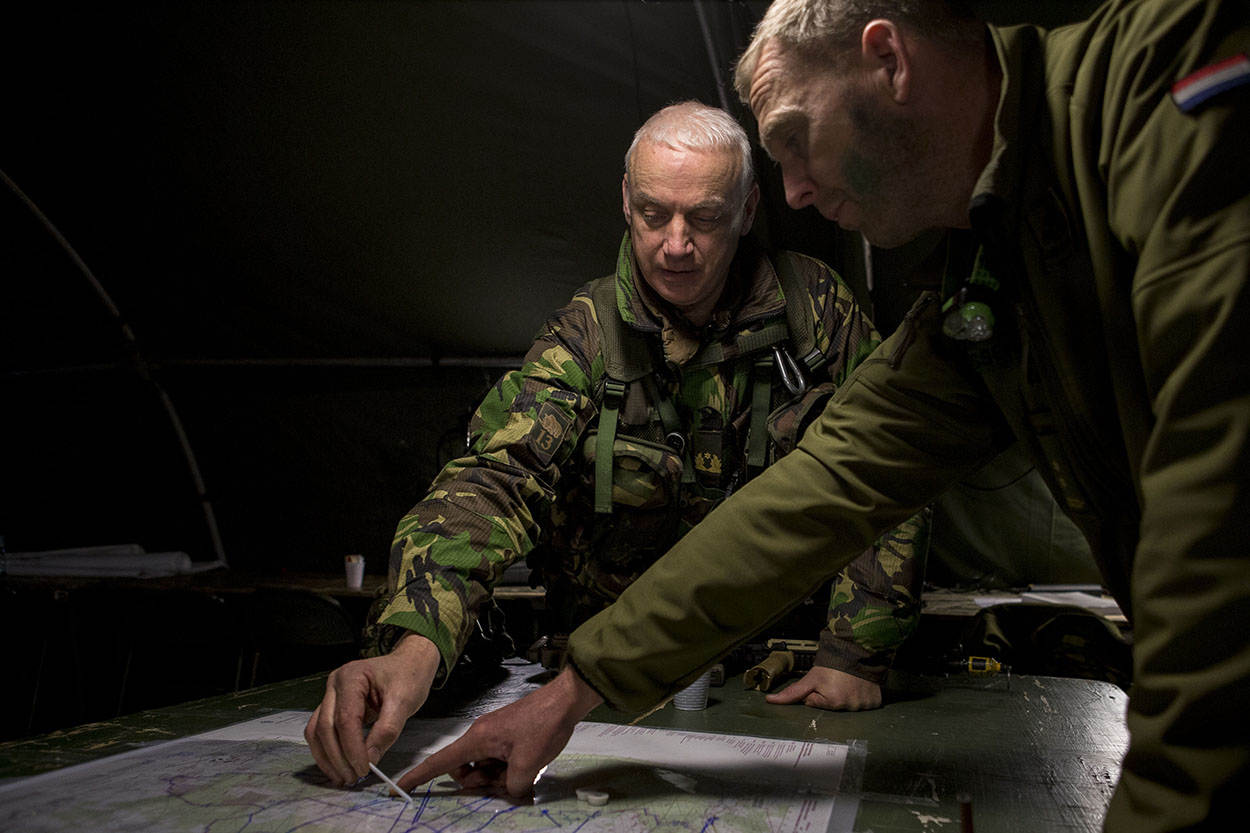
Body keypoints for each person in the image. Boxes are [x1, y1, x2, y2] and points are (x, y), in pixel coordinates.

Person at [398, 2, 1250, 830]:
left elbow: (1220, 552)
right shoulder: (990, 274)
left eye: (796, 140)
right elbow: (818, 492)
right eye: (656, 213)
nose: (797, 191)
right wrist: (569, 690)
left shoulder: (1171, 82)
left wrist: (855, 648)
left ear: (888, 61)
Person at [305, 101, 930, 788]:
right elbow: (494, 481)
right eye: (655, 214)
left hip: (781, 683)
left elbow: (892, 466)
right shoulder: (586, 336)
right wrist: (415, 644)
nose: (676, 244)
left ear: (748, 209)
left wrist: (855, 653)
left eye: (705, 218)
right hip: (595, 695)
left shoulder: (817, 313)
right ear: (626, 201)